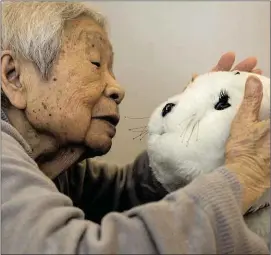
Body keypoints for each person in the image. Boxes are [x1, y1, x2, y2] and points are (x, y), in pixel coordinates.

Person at [1, 2, 270, 254]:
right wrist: (245, 175)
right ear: (14, 76)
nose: (118, 88)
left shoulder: (59, 173)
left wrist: (193, 142)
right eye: (96, 63)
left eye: (112, 70)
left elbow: (124, 195)